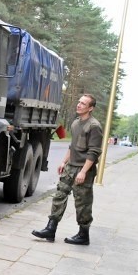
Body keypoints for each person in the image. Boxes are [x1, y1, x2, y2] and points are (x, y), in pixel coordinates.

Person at [32, 93, 103, 245]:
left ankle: (83, 235)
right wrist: (64, 162)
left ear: (90, 108)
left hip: (84, 169)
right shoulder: (76, 123)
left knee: (82, 202)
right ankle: (50, 230)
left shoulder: (94, 126)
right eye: (79, 102)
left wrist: (83, 172)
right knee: (59, 196)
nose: (79, 105)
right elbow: (72, 146)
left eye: (83, 104)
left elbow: (94, 152)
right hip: (70, 167)